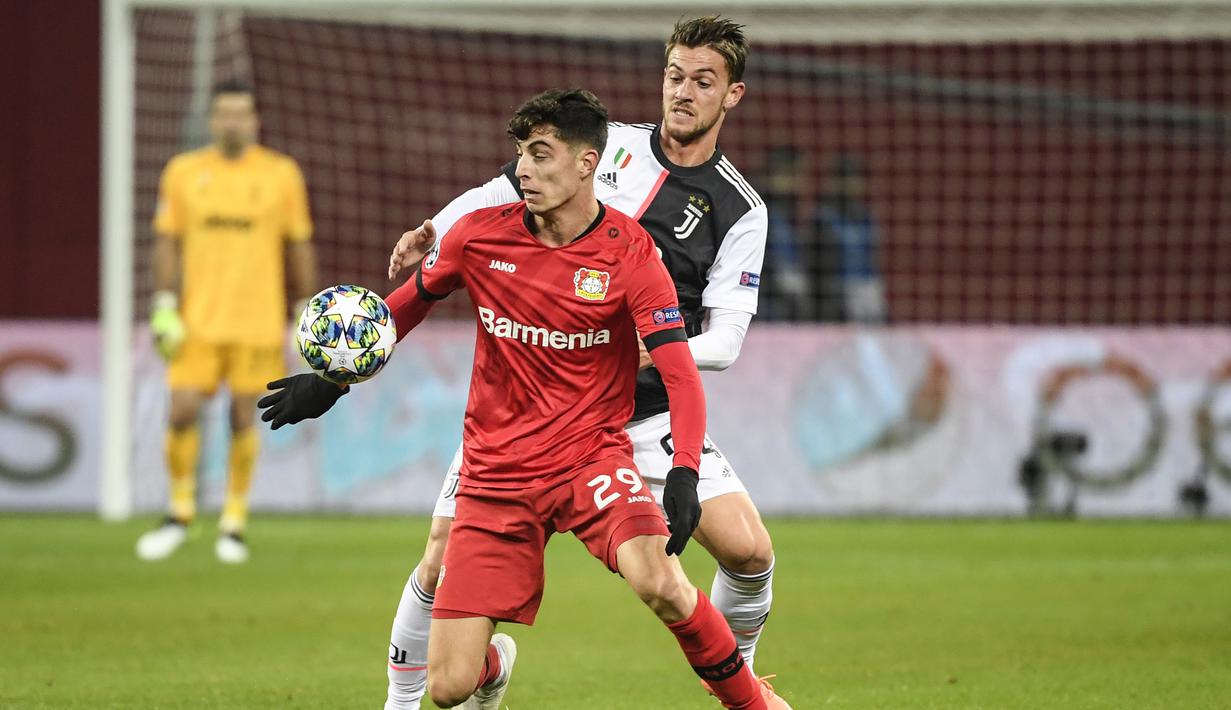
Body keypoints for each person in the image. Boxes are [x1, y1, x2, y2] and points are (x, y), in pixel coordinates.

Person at [259, 88, 771, 710]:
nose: (523, 169)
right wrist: (333, 380)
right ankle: (492, 665)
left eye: (540, 154)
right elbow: (407, 306)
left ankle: (753, 703)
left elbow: (681, 376)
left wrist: (685, 469)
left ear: (586, 163)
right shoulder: (479, 237)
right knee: (448, 687)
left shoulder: (631, 252)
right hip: (496, 472)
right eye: (521, 153)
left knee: (661, 580)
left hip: (590, 459)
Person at [384, 16, 787, 709]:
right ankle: (418, 694)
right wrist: (435, 230)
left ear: (732, 95)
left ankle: (738, 677)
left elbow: (724, 341)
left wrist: (647, 349)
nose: (683, 92)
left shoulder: (740, 209)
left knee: (748, 552)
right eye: (675, 76)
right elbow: (496, 193)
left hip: (640, 411)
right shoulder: (604, 145)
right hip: (530, 406)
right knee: (437, 554)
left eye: (702, 81)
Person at [136, 79, 317, 564]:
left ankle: (233, 522)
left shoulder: (281, 174)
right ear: (212, 120)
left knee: (243, 416)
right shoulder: (183, 172)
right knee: (181, 410)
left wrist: (304, 307)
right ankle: (179, 514)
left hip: (257, 321)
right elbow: (167, 240)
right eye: (224, 113)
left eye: (241, 113)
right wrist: (163, 304)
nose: (232, 122)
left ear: (255, 120)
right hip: (196, 321)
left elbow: (298, 242)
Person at [810, 153, 887, 323]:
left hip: (868, 288)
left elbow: (873, 258)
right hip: (838, 292)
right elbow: (817, 267)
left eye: (854, 179)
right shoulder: (823, 218)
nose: (850, 185)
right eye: (844, 179)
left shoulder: (866, 218)